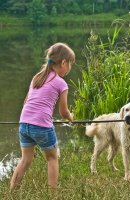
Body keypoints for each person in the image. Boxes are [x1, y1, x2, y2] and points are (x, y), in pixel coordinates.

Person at [10, 42, 75, 191]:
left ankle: (12, 192)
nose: (70, 67)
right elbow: (63, 111)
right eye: (70, 64)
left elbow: (26, 101)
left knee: (25, 159)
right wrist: (71, 117)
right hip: (41, 127)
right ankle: (52, 194)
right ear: (63, 62)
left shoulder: (37, 77)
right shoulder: (61, 83)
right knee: (52, 158)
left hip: (24, 124)